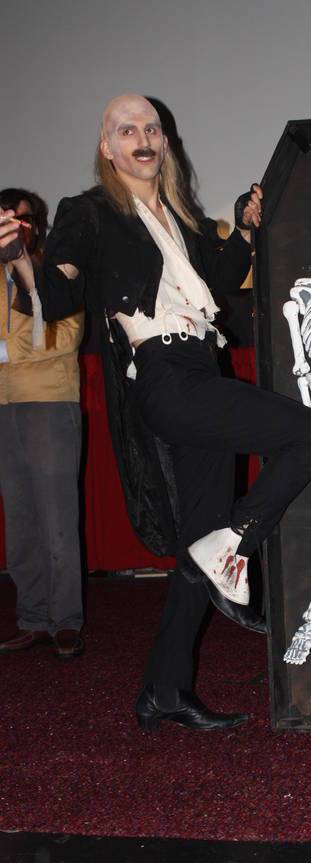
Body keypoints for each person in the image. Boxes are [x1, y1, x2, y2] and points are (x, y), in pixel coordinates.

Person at [0, 93, 311, 732]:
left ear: (165, 142)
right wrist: (17, 260)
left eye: (152, 128)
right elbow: (58, 294)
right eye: (127, 130)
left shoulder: (182, 216)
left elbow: (222, 277)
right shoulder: (90, 213)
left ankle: (164, 689)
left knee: (197, 543)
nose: (143, 138)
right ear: (108, 148)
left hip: (201, 370)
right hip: (163, 377)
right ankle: (235, 546)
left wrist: (246, 227)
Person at [0, 188, 85, 660]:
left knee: (57, 519)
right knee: (20, 520)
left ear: (37, 225)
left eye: (22, 218)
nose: (13, 226)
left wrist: (7, 352)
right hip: (3, 406)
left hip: (49, 402)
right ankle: (32, 617)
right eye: (4, 218)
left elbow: (63, 336)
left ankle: (66, 620)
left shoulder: (56, 271)